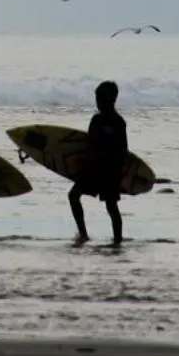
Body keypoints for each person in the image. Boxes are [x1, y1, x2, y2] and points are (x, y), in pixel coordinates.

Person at [70, 80, 127, 244]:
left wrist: (119, 174)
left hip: (109, 171)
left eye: (100, 99)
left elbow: (123, 150)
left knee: (111, 206)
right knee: (73, 196)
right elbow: (89, 145)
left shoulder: (118, 123)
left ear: (110, 100)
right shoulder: (96, 120)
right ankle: (83, 234)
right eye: (97, 98)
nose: (97, 102)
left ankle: (118, 239)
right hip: (93, 170)